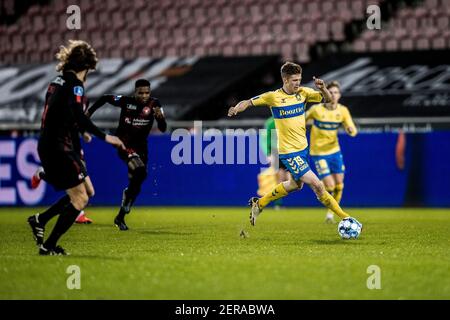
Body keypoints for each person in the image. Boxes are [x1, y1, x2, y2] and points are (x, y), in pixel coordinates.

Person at [228, 62, 361, 229]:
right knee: (318, 185)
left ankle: (259, 203)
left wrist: (323, 88)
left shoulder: (303, 93)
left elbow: (326, 99)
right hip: (288, 152)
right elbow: (247, 102)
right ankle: (346, 218)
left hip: (303, 149)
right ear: (284, 79)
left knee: (295, 185)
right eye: (294, 80)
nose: (298, 83)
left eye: (299, 79)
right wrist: (236, 109)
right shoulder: (273, 97)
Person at [27, 40, 125, 255]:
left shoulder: (57, 82)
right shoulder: (76, 85)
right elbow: (79, 116)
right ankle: (48, 246)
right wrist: (106, 137)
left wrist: (80, 134)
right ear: (87, 67)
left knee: (87, 192)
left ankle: (40, 220)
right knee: (80, 198)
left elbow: (64, 115)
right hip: (59, 147)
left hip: (54, 144)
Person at [85, 79, 167, 231]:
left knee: (140, 177)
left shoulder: (155, 104)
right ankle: (127, 198)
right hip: (124, 144)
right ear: (135, 92)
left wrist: (161, 119)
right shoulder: (125, 101)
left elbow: (163, 129)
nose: (144, 96)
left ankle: (121, 216)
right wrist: (89, 112)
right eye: (140, 92)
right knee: (140, 170)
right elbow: (105, 98)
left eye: (147, 92)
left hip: (142, 147)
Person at [306, 81, 358, 223]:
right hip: (318, 153)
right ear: (326, 94)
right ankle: (324, 199)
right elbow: (301, 120)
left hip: (334, 151)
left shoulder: (343, 111)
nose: (333, 95)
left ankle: (330, 214)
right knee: (329, 186)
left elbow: (351, 127)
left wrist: (350, 130)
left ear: (339, 95)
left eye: (336, 92)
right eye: (331, 92)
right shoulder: (316, 110)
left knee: (339, 185)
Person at [257, 116, 288, 210]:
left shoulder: (288, 119)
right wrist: (268, 153)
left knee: (289, 180)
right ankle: (278, 204)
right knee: (279, 178)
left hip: (288, 151)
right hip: (275, 152)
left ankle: (274, 201)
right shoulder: (271, 122)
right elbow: (264, 138)